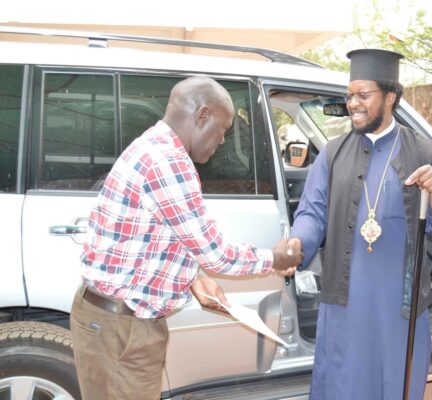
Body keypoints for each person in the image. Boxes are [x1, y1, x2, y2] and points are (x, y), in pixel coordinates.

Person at [69, 76, 302, 400]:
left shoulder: (154, 146)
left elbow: (157, 235)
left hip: (115, 322)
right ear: (203, 115)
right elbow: (217, 255)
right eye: (223, 129)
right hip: (122, 328)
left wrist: (191, 278)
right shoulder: (170, 162)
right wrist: (275, 259)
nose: (222, 140)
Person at [290, 49, 432, 399]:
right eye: (349, 95)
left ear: (390, 97)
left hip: (399, 309)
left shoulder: (425, 154)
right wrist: (297, 244)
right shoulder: (332, 154)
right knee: (344, 386)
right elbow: (312, 213)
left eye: (363, 95)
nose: (353, 104)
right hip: (345, 304)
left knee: (394, 386)